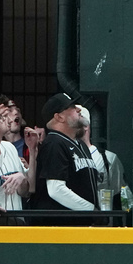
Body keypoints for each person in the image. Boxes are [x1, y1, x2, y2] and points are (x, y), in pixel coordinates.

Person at [31, 92, 99, 225]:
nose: (79, 109)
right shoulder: (54, 143)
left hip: (80, 225)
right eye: (73, 107)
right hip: (59, 228)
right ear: (59, 117)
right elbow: (56, 189)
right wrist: (91, 210)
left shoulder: (80, 145)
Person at [77, 105, 125, 211]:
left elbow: (115, 191)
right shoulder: (64, 155)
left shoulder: (109, 158)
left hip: (101, 220)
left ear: (86, 126)